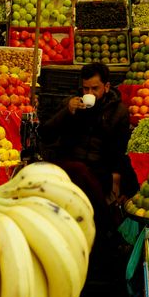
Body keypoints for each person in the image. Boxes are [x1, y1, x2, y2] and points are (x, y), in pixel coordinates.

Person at [39, 62, 137, 238]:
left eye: (94, 89)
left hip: (99, 170)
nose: (89, 94)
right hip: (69, 167)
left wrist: (119, 180)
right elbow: (46, 134)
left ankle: (99, 233)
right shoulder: (72, 105)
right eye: (85, 89)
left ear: (106, 87)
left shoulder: (118, 112)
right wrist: (67, 112)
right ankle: (102, 228)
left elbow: (121, 149)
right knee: (75, 171)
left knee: (86, 177)